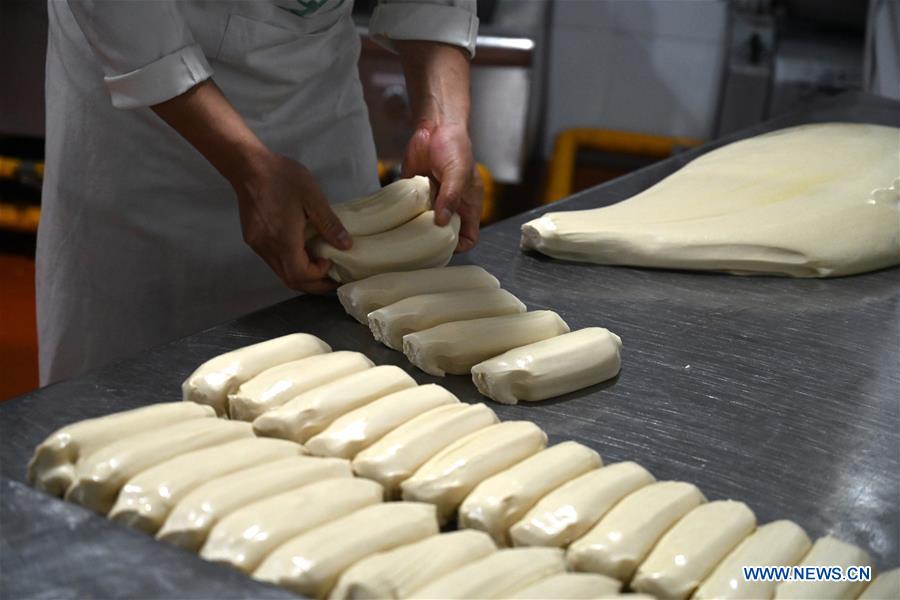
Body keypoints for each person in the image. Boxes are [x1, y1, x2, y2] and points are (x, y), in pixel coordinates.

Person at [37, 0, 482, 385]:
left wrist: (441, 119)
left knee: (335, 402)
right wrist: (247, 168)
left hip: (316, 111)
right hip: (145, 150)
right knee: (121, 421)